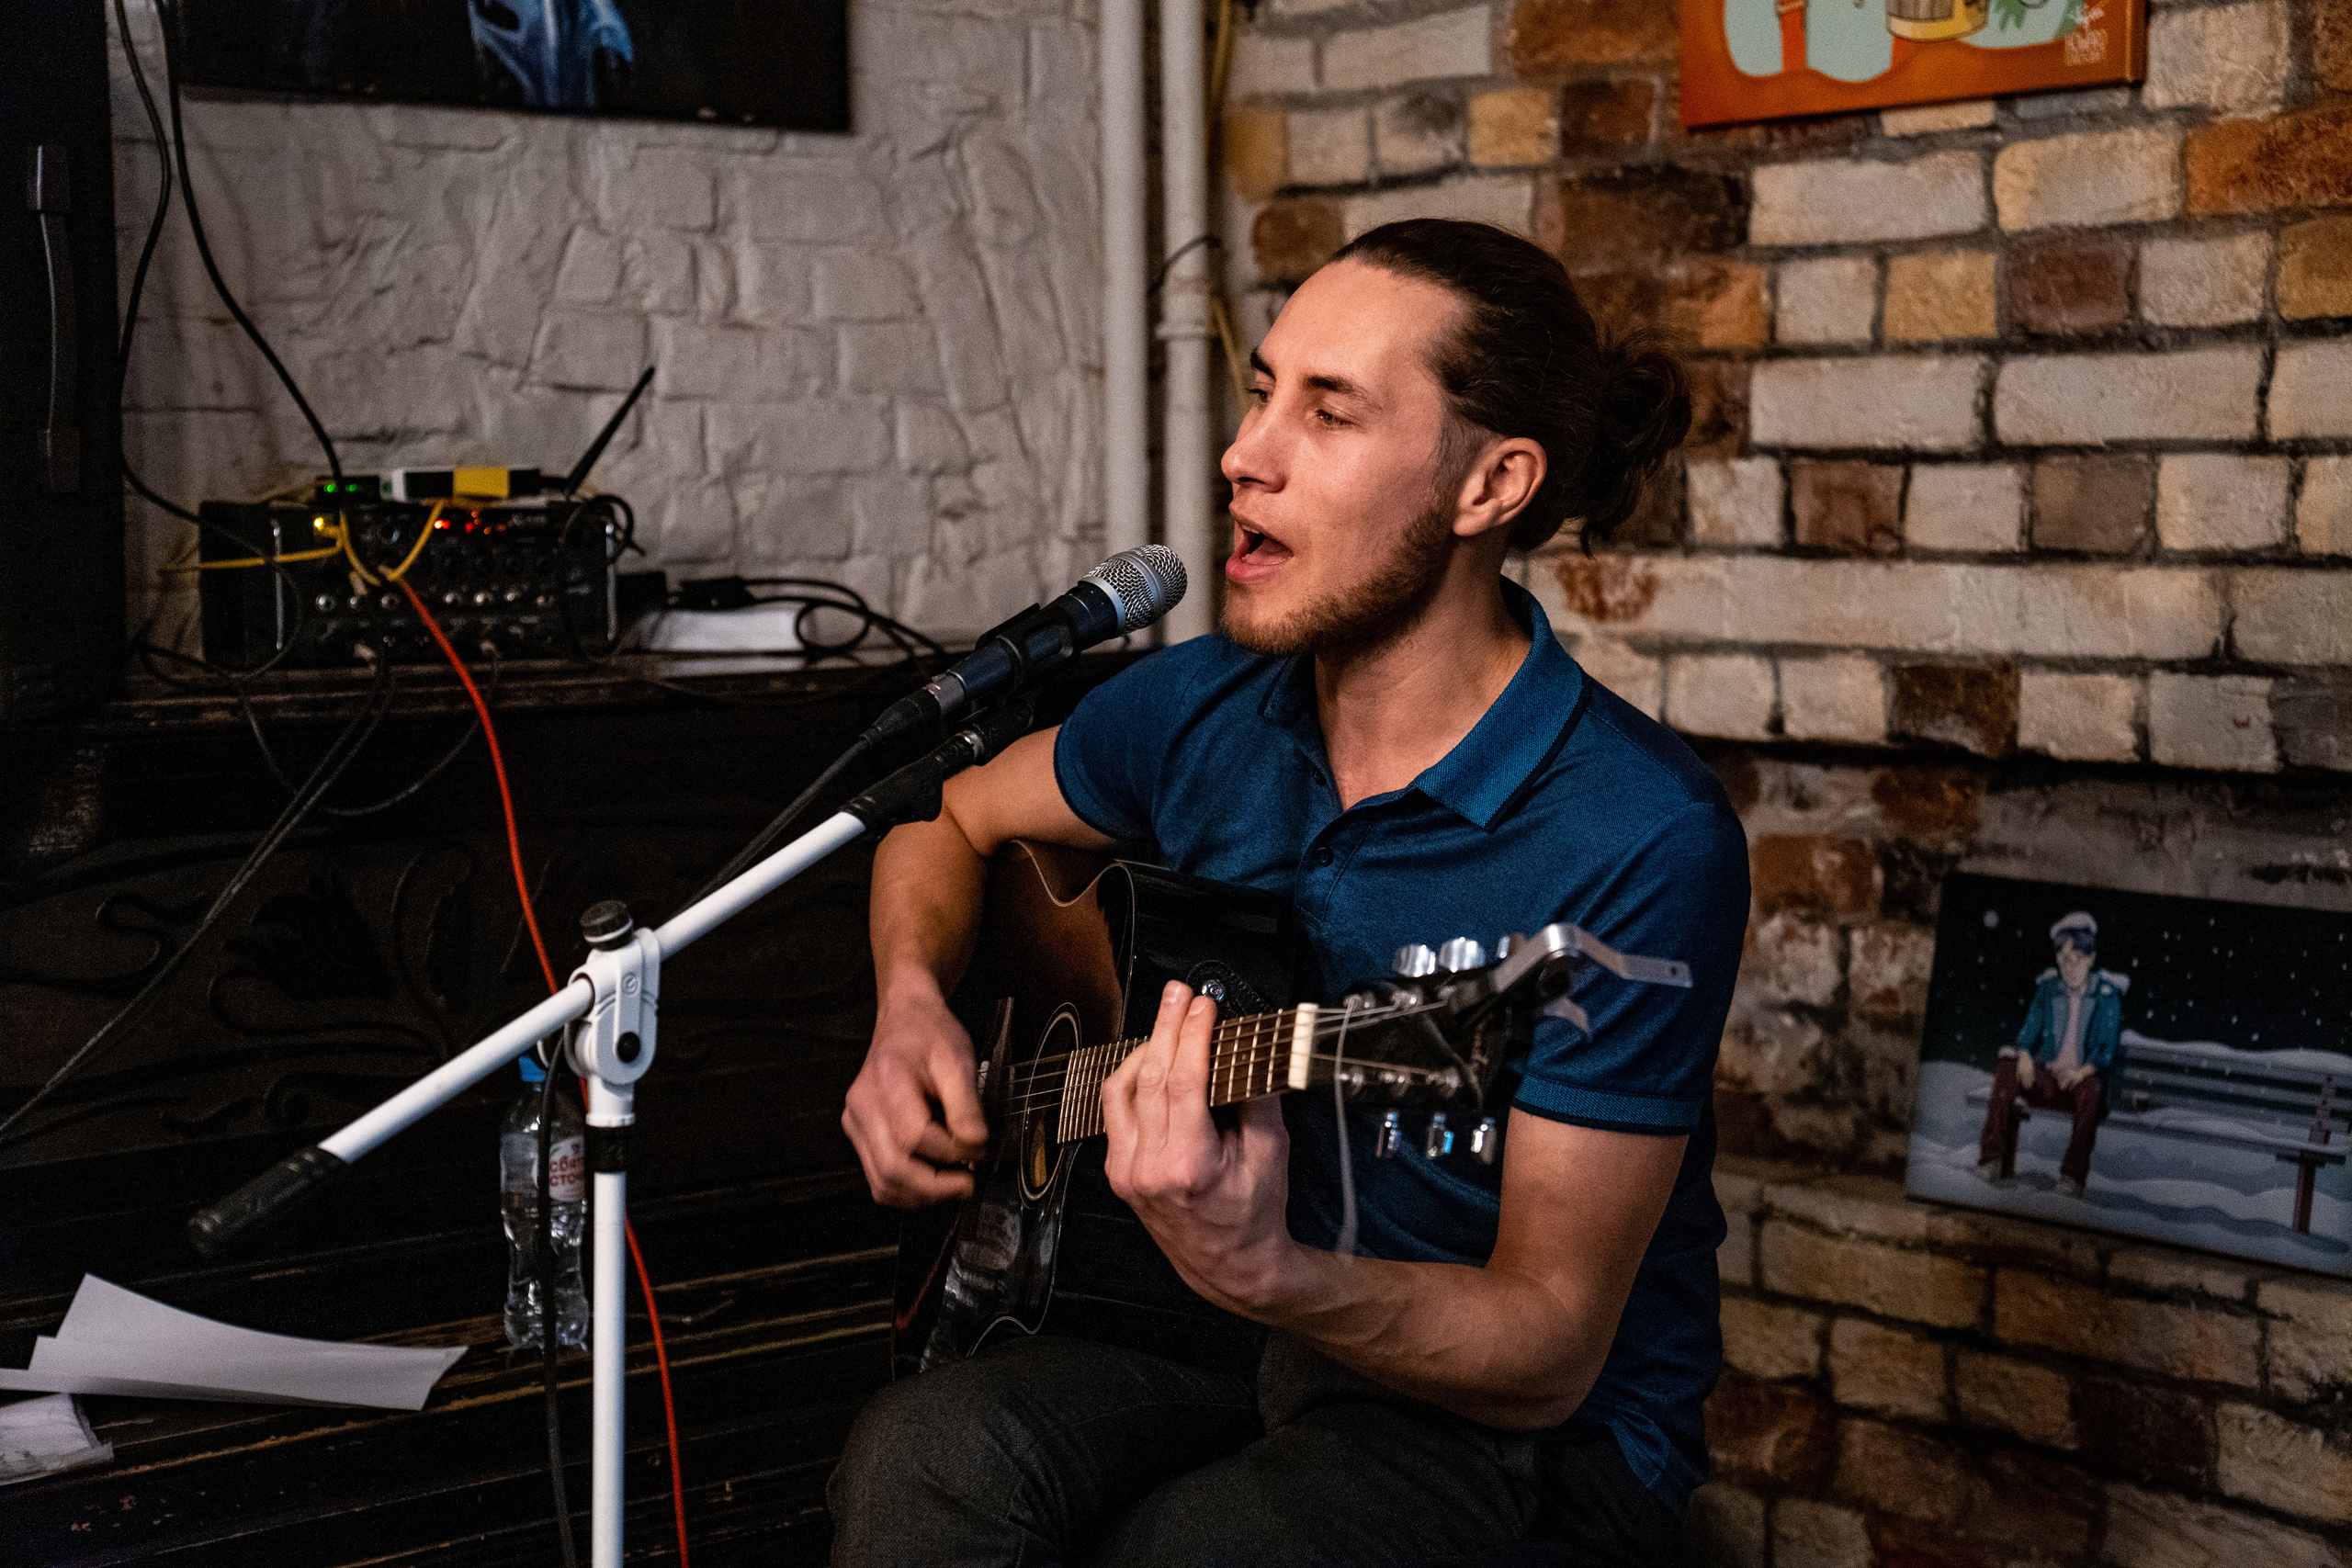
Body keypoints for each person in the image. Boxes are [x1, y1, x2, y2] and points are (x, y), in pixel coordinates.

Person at [828, 219, 1750, 1567]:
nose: (1244, 454)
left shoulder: (1633, 832)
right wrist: (911, 1006)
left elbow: (1549, 1343)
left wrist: (1271, 1267)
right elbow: (940, 818)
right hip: (1209, 1321)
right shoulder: (1201, 706)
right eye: (1265, 389)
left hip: (1518, 1420)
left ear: (1489, 484)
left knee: (1212, 1544)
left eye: (1330, 412)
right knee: (926, 1454)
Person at [1976, 910, 2128, 1199]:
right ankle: (1992, 1159)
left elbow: (2106, 1051)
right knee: (2007, 1066)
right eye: (2062, 960)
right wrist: (2024, 1055)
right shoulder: (2048, 990)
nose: (2068, 968)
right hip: (2048, 1079)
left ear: (2090, 959)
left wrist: (2080, 1072)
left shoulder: (2106, 996)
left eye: (2075, 960)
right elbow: (2028, 1032)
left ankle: (2072, 1175)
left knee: (2092, 1089)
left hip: (2081, 1083)